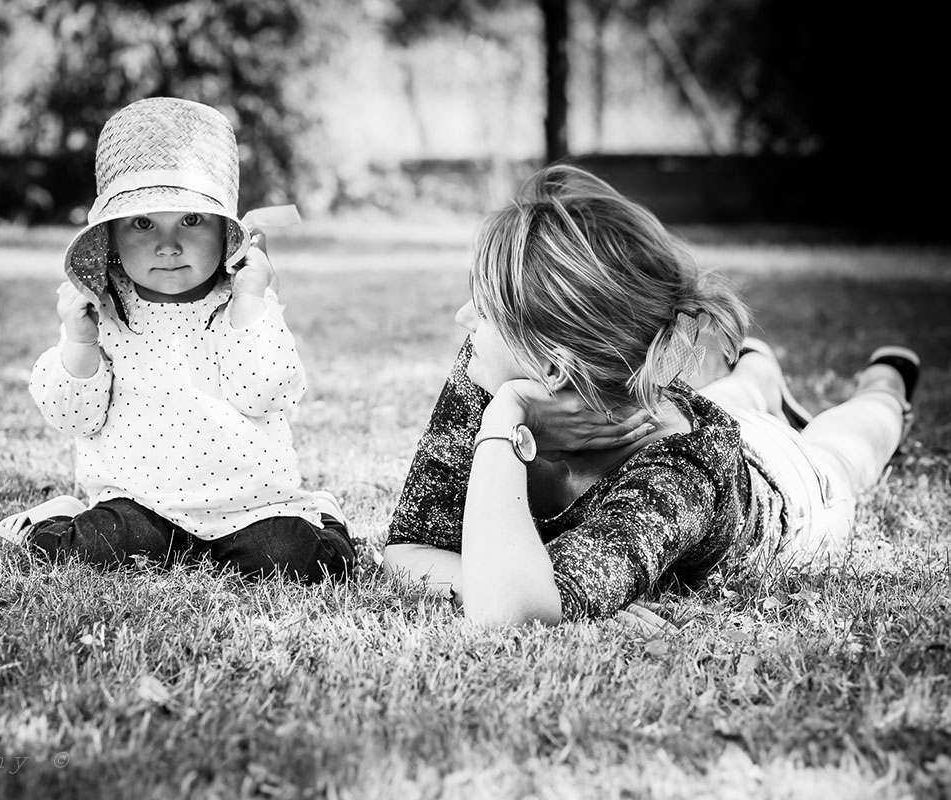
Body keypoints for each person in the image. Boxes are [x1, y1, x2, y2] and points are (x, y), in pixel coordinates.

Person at [382, 164, 920, 626]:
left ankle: (886, 385)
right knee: (733, 397)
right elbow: (407, 549)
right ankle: (758, 373)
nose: (463, 318)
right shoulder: (489, 364)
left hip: (789, 488)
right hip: (678, 407)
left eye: (483, 308)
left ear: (550, 365)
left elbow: (512, 611)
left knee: (847, 446)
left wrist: (504, 421)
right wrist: (531, 586)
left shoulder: (677, 474)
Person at [0, 97, 355, 582]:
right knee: (92, 551)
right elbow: (73, 417)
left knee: (295, 558)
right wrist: (78, 343)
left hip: (248, 507)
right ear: (113, 237)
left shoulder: (244, 300)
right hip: (139, 506)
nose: (168, 245)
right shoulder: (102, 306)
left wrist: (250, 301)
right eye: (143, 223)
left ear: (227, 232)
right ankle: (56, 516)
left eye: (191, 220)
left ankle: (323, 517)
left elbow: (267, 391)